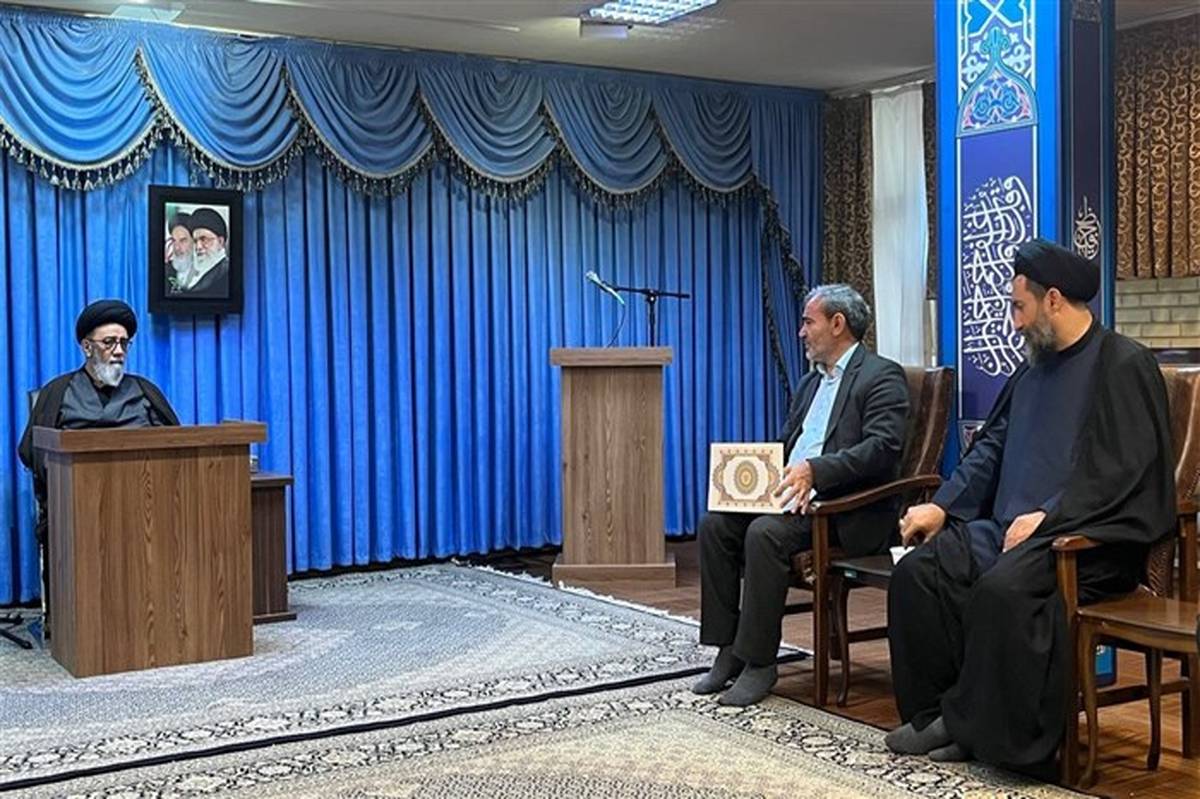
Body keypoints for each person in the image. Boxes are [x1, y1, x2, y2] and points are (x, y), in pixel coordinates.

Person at [885, 239, 1174, 775]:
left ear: (1054, 300)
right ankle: (938, 717)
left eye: (1020, 307)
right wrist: (943, 506)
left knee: (1003, 591)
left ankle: (980, 731)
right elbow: (991, 448)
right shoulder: (1030, 370)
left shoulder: (1123, 364)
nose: (1014, 322)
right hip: (1010, 533)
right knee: (919, 574)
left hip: (1089, 541)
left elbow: (1122, 473)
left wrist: (1050, 517)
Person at [693, 284, 910, 706]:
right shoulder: (812, 383)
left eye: (808, 322)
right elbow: (788, 445)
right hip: (791, 498)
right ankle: (728, 649)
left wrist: (816, 472)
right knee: (716, 524)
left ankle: (760, 663)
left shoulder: (882, 375)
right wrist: (749, 476)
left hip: (842, 511)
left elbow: (882, 449)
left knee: (764, 534)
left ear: (837, 323)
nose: (801, 332)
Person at [18, 300, 180, 625]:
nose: (118, 351)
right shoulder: (58, 392)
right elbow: (31, 451)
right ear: (87, 347)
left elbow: (174, 446)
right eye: (109, 343)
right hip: (78, 507)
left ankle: (157, 618)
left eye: (124, 343)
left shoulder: (145, 392)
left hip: (143, 506)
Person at [177, 207, 229, 297]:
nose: (198, 247)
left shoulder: (225, 273)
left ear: (220, 242)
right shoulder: (196, 274)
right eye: (195, 241)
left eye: (204, 239)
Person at [165, 212, 195, 294]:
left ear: (194, 241)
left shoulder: (207, 272)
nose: (177, 247)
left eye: (183, 240)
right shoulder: (166, 271)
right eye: (174, 241)